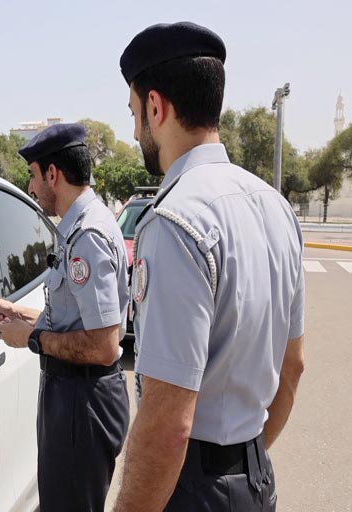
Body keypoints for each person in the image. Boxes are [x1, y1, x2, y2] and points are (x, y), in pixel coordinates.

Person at [113, 22, 305, 511]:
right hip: (255, 479)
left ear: (157, 107)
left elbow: (166, 426)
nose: (136, 131)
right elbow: (293, 365)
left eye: (135, 114)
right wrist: (245, 464)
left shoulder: (175, 220)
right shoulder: (275, 206)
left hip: (193, 489)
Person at [0, 123, 130, 511]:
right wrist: (18, 311)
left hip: (82, 403)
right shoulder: (82, 226)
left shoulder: (87, 237)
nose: (30, 188)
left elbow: (102, 345)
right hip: (76, 398)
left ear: (53, 174)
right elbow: (75, 319)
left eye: (33, 175)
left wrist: (30, 338)